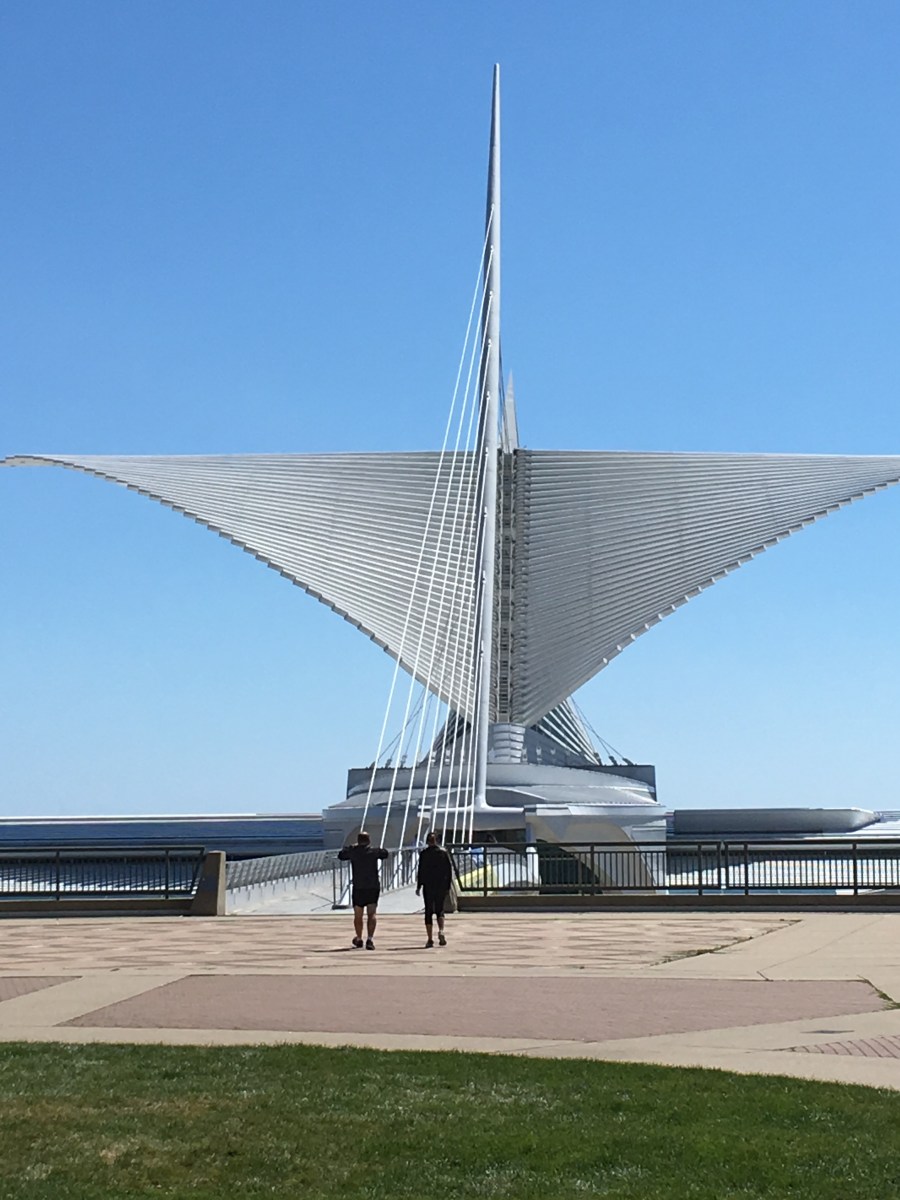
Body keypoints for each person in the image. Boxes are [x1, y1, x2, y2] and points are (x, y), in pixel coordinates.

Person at [338, 830, 388, 950]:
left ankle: (359, 938)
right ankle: (370, 939)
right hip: (372, 887)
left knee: (358, 915)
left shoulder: (354, 852)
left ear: (358, 841)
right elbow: (385, 853)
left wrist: (351, 847)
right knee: (372, 914)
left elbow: (341, 855)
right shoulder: (374, 851)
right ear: (369, 840)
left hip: (359, 887)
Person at [415, 831, 454, 948]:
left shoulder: (424, 854)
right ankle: (441, 930)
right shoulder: (443, 853)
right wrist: (447, 886)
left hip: (428, 885)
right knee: (439, 909)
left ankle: (430, 939)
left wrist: (419, 886)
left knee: (428, 911)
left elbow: (421, 870)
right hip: (440, 885)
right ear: (437, 840)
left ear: (427, 841)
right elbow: (448, 870)